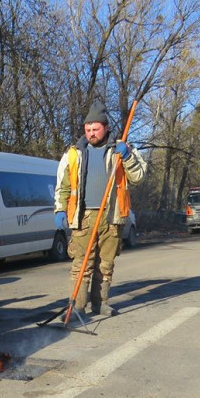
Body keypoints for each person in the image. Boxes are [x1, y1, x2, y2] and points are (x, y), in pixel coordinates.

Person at [54, 100, 147, 317]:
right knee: (81, 264)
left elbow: (139, 177)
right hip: (84, 217)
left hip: (111, 215)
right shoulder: (73, 153)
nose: (91, 133)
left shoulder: (121, 150)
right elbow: (62, 186)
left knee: (105, 264)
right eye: (88, 129)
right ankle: (76, 307)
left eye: (95, 129)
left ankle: (101, 303)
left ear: (106, 128)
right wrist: (59, 209)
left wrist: (128, 157)